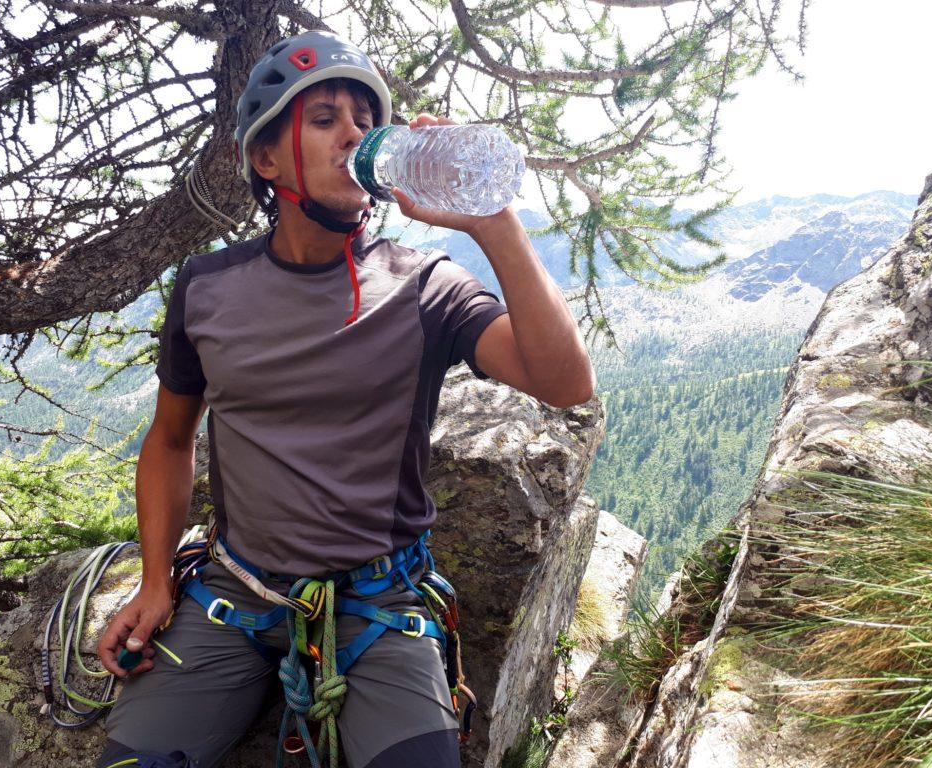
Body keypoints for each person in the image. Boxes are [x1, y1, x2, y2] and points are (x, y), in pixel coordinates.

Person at [95, 29, 594, 768]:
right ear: (266, 159)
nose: (354, 134)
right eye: (324, 119)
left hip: (378, 603)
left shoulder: (423, 284)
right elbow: (170, 440)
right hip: (235, 590)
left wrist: (491, 219)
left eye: (364, 120)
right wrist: (156, 579)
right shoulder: (208, 287)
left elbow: (564, 382)